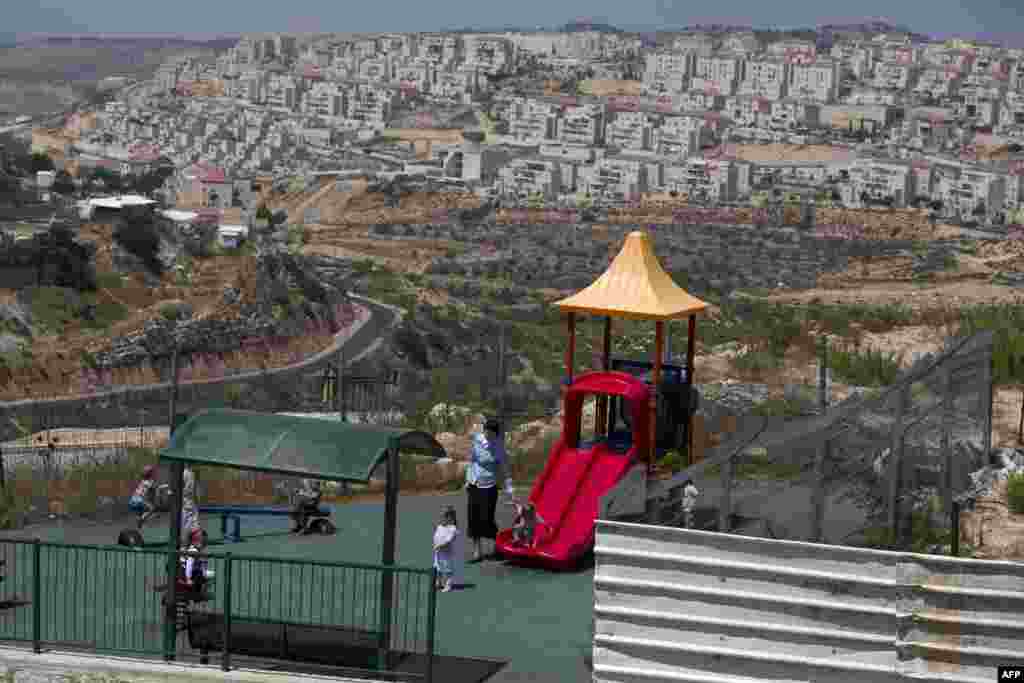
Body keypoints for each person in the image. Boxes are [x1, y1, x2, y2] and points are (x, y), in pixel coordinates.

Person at [465, 417, 513, 562]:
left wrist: (509, 487)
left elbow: (504, 467)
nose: (487, 435)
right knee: (473, 517)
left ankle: (497, 547)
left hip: (490, 485)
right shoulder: (477, 441)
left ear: (496, 434)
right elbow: (471, 461)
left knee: (487, 518)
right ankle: (477, 552)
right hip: (474, 483)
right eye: (486, 431)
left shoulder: (499, 446)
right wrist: (467, 480)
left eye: (491, 433)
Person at [432, 506, 464, 593]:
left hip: (447, 554)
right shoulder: (439, 527)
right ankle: (438, 583)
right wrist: (436, 545)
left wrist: (440, 546)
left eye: (444, 517)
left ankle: (448, 585)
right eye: (441, 516)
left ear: (450, 518)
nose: (441, 519)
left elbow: (448, 541)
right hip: (438, 553)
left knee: (447, 570)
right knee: (438, 568)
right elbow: (436, 537)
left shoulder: (452, 529)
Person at [129, 465, 161, 529]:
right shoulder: (151, 482)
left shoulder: (142, 481)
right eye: (152, 473)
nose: (154, 474)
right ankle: (142, 520)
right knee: (152, 508)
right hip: (140, 499)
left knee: (140, 513)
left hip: (132, 499)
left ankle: (140, 526)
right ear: (150, 474)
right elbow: (155, 490)